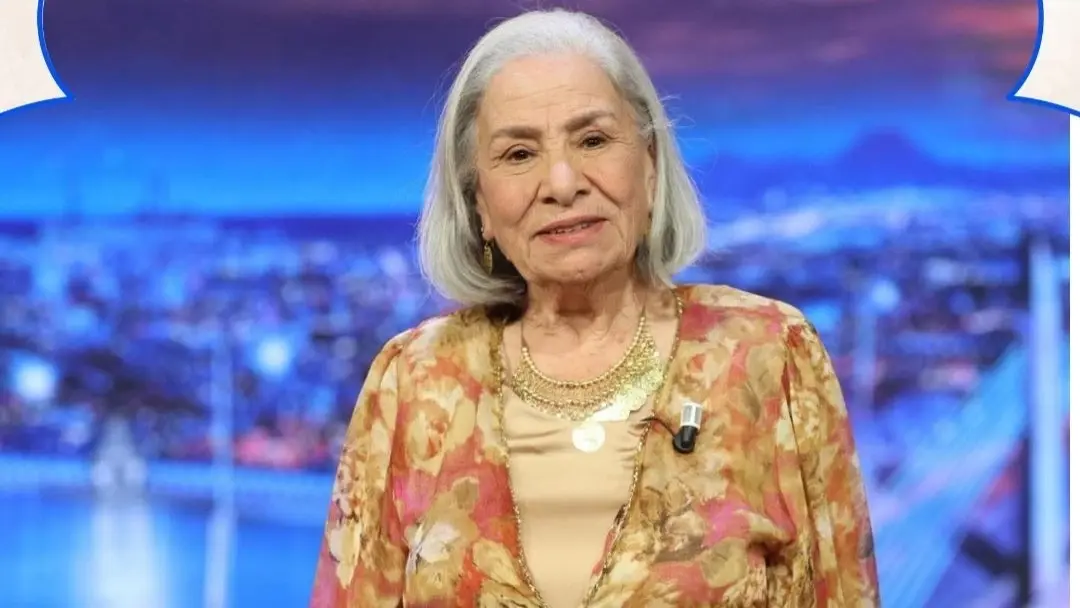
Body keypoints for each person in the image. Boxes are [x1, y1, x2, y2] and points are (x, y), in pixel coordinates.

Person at [310, 8, 880, 607]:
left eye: (593, 140)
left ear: (650, 165)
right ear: (478, 203)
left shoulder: (769, 355)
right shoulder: (414, 381)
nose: (562, 183)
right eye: (519, 154)